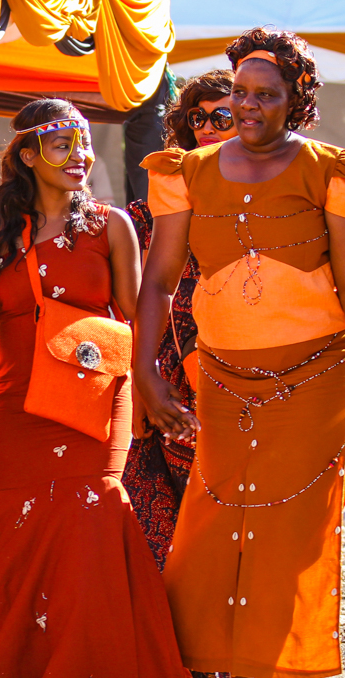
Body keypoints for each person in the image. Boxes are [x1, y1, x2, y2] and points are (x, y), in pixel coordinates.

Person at [136, 27, 345, 678]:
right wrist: (146, 376)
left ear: (296, 101)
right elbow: (159, 281)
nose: (249, 107)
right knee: (218, 531)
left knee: (294, 533)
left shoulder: (334, 172)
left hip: (319, 376)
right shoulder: (184, 171)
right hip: (222, 377)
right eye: (241, 93)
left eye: (266, 96)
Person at [0, 99, 212, 678]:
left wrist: (147, 391)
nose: (81, 155)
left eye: (84, 143)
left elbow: (140, 318)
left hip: (93, 398)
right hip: (15, 403)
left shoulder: (110, 225)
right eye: (63, 144)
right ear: (27, 156)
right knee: (23, 530)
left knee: (90, 522)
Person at [122, 69, 235, 570]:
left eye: (222, 116)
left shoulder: (272, 197)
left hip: (237, 363)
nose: (207, 126)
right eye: (198, 117)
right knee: (158, 508)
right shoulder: (155, 204)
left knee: (228, 502)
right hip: (163, 365)